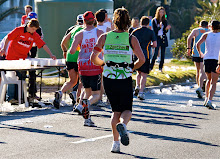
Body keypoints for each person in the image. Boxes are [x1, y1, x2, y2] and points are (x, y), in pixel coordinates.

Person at [91, 8, 145, 153]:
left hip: (108, 77)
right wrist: (132, 68)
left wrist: (103, 64)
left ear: (113, 21)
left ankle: (115, 144)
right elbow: (142, 59)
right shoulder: (131, 38)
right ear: (128, 22)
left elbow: (93, 58)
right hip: (124, 76)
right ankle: (124, 125)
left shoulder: (104, 37)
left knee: (115, 111)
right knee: (126, 109)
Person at [0, 19, 56, 102]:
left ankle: (20, 98)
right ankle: (10, 98)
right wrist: (3, 49)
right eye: (33, 29)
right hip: (11, 58)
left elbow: (43, 44)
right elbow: (8, 38)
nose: (34, 31)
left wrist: (51, 54)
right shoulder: (18, 30)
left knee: (21, 78)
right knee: (11, 77)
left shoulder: (34, 35)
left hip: (22, 60)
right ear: (29, 26)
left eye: (35, 30)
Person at [69, 11, 104, 127]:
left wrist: (81, 47)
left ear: (83, 21)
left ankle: (87, 119)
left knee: (86, 90)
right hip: (95, 65)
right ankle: (83, 104)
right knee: (96, 95)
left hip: (83, 65)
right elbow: (105, 48)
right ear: (94, 20)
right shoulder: (99, 32)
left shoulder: (79, 34)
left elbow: (72, 51)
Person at [53, 14, 84, 109]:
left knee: (72, 81)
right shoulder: (87, 30)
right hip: (80, 57)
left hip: (70, 56)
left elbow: (63, 42)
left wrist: (65, 51)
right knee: (82, 82)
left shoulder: (73, 29)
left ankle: (60, 92)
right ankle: (78, 102)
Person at [132, 16, 157, 100]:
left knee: (138, 73)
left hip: (136, 55)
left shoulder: (135, 31)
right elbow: (155, 44)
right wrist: (150, 45)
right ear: (148, 23)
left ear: (141, 22)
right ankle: (141, 92)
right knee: (144, 75)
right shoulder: (151, 32)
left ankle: (137, 86)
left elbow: (130, 43)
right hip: (146, 55)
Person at [197, 20, 220, 109]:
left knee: (208, 80)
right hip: (216, 60)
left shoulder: (206, 34)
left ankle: (206, 99)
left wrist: (200, 53)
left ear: (211, 26)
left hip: (207, 59)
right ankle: (210, 101)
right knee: (214, 82)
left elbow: (198, 44)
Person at [187, 20, 209, 98]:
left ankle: (199, 85)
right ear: (207, 26)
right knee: (203, 72)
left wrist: (188, 48)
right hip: (205, 53)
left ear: (200, 25)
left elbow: (189, 38)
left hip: (196, 53)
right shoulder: (209, 31)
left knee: (198, 70)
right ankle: (202, 87)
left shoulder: (195, 30)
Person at [26, 12, 44, 100]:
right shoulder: (24, 28)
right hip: (23, 53)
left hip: (32, 53)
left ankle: (32, 93)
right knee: (20, 74)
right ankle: (19, 95)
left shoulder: (39, 29)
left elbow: (40, 40)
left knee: (32, 73)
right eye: (29, 19)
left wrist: (31, 43)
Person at [150, 6, 171, 72]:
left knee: (163, 54)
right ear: (158, 13)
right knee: (155, 53)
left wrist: (166, 29)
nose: (161, 14)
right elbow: (155, 30)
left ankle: (160, 68)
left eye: (162, 12)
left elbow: (165, 31)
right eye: (160, 12)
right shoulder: (154, 20)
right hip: (157, 37)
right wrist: (159, 27)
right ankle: (151, 67)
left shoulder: (165, 21)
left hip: (163, 37)